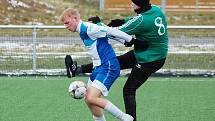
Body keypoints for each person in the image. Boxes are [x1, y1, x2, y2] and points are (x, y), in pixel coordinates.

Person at [66, 0, 168, 120]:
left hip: (150, 59)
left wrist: (98, 24)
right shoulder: (155, 9)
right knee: (111, 62)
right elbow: (135, 20)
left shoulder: (141, 21)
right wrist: (123, 20)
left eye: (133, 2)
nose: (131, 4)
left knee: (129, 89)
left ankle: (131, 119)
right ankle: (77, 69)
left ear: (139, 4)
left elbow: (116, 32)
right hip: (148, 53)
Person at [60, 8, 136, 121]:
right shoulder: (82, 30)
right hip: (98, 68)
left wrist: (130, 39)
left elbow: (110, 31)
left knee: (91, 97)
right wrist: (125, 41)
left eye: (67, 22)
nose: (66, 26)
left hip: (109, 66)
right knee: (88, 100)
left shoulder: (88, 28)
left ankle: (127, 119)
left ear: (75, 18)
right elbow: (106, 35)